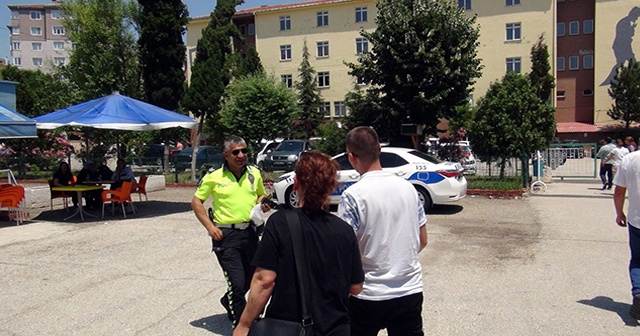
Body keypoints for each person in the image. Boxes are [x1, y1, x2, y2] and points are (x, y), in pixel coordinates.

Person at [234, 151, 365, 336]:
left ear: (296, 184)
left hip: (287, 327)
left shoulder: (279, 223)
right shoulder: (344, 231)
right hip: (335, 328)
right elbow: (356, 287)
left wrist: (245, 324)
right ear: (330, 188)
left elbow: (264, 280)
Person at [337, 126, 428, 336]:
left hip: (368, 294)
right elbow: (422, 240)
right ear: (379, 148)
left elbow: (345, 251)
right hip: (409, 289)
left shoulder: (352, 196)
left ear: (351, 157)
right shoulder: (409, 189)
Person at [191, 135, 271, 327]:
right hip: (226, 236)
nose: (241, 155)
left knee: (253, 279)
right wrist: (210, 228)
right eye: (236, 152)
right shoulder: (214, 176)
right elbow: (196, 202)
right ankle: (241, 324)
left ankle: (229, 302)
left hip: (250, 232)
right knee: (236, 283)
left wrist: (262, 204)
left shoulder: (254, 173)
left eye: (244, 151)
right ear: (226, 154)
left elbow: (261, 194)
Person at [612, 148, 640, 320]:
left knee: (638, 259)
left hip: (637, 220)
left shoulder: (630, 159)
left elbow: (619, 192)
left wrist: (619, 212)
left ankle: (638, 292)